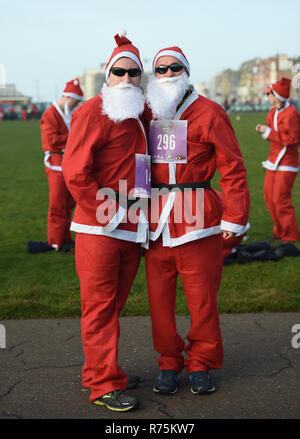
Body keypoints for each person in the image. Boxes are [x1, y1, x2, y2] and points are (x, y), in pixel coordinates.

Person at [144, 46, 250, 395]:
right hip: (156, 219)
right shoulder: (147, 112)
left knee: (202, 297)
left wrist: (235, 215)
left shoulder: (210, 112)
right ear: (154, 74)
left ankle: (201, 361)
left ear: (187, 71)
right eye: (161, 69)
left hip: (198, 218)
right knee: (159, 299)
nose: (169, 73)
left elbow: (232, 166)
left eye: (176, 67)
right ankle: (168, 362)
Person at [62, 31, 149, 412]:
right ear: (108, 75)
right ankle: (103, 384)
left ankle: (99, 370)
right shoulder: (89, 112)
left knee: (112, 305)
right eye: (120, 72)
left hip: (134, 223)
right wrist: (110, 210)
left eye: (134, 74)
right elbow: (75, 172)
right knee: (99, 306)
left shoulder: (142, 113)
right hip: (100, 227)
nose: (127, 80)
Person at [40, 78, 83, 251]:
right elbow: (51, 141)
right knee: (58, 205)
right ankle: (55, 241)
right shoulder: (50, 114)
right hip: (55, 163)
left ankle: (64, 239)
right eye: (75, 101)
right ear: (68, 97)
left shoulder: (67, 113)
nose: (76, 105)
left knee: (68, 204)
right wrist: (74, 137)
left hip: (66, 163)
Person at [256, 78, 300, 243]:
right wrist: (266, 130)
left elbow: (293, 139)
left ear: (278, 95)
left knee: (281, 200)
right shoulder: (272, 113)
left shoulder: (292, 114)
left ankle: (291, 235)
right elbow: (275, 134)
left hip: (288, 162)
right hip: (273, 160)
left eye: (270, 93)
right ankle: (280, 230)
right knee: (269, 198)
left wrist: (268, 132)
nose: (268, 96)